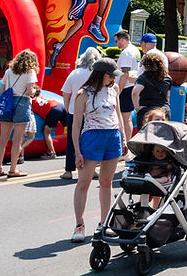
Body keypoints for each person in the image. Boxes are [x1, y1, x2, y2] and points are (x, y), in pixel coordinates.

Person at [71, 56, 126, 243]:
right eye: (111, 75)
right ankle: (79, 224)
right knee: (84, 182)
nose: (114, 79)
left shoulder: (114, 89)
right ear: (103, 75)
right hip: (92, 137)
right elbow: (76, 124)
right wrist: (77, 151)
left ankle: (105, 223)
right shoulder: (83, 94)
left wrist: (124, 137)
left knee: (106, 182)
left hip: (112, 136)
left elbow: (117, 114)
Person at [0, 49, 39, 177]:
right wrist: (34, 92)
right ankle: (12, 169)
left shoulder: (9, 71)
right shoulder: (30, 72)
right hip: (22, 103)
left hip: (8, 103)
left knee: (2, 139)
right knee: (17, 140)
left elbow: (2, 90)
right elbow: (29, 91)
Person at [60, 48, 98, 179]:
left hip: (73, 111)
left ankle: (68, 170)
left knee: (72, 140)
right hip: (92, 111)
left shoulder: (74, 73)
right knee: (91, 140)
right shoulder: (97, 73)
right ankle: (91, 169)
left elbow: (65, 92)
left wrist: (67, 107)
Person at [114, 30, 141, 145]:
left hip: (125, 88)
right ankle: (126, 144)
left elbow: (125, 74)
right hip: (131, 86)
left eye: (117, 41)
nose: (116, 44)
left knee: (125, 118)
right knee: (127, 118)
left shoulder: (126, 53)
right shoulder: (135, 50)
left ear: (122, 40)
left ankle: (125, 145)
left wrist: (118, 91)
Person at [132, 49, 172, 121]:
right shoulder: (167, 78)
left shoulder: (143, 78)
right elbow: (168, 96)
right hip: (163, 110)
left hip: (148, 111)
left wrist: (137, 108)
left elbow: (135, 92)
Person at [31, 91, 67, 159]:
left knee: (46, 132)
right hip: (61, 105)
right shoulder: (41, 97)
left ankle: (52, 152)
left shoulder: (31, 101)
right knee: (71, 129)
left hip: (53, 110)